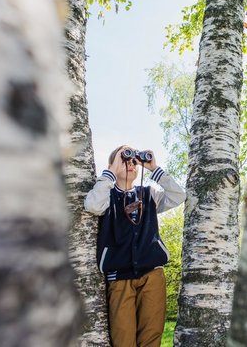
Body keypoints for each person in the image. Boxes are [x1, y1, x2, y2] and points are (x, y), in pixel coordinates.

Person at [84, 145, 186, 347]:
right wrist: (111, 172)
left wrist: (153, 169)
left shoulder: (148, 194)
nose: (130, 164)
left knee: (151, 338)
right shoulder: (106, 196)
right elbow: (93, 205)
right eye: (124, 159)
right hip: (119, 278)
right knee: (123, 341)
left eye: (133, 161)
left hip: (152, 275)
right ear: (112, 165)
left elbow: (178, 195)